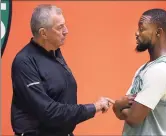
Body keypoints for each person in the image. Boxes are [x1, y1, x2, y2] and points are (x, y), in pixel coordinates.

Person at [11, 4, 114, 136]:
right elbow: (48, 111)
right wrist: (94, 107)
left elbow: (62, 99)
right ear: (43, 33)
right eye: (60, 27)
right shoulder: (24, 61)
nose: (66, 31)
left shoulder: (55, 53)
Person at [112, 8, 166, 135]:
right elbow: (126, 113)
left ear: (158, 32)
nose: (136, 33)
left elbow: (133, 118)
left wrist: (116, 105)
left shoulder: (161, 70)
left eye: (142, 29)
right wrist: (122, 108)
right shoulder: (145, 68)